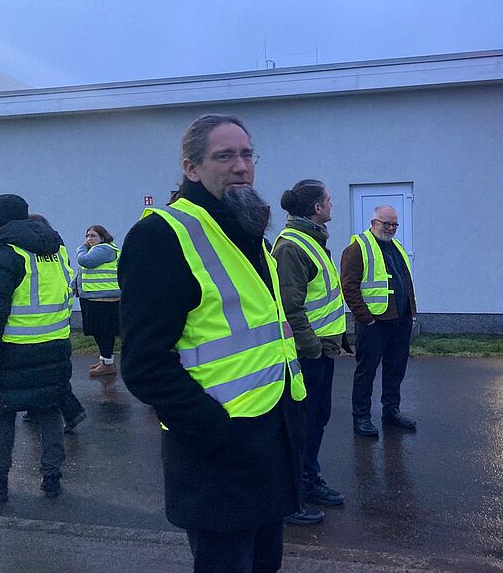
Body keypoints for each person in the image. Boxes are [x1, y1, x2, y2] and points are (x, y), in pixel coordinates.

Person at [119, 114, 306, 573]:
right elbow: (144, 364)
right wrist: (216, 431)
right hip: (218, 455)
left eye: (247, 154)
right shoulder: (162, 236)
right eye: (224, 156)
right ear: (191, 168)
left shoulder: (245, 227)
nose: (241, 166)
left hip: (270, 440)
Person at [273, 179, 346, 526]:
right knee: (300, 425)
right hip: (308, 354)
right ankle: (292, 495)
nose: (332, 205)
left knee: (316, 419)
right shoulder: (292, 247)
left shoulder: (313, 241)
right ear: (316, 208)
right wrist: (313, 348)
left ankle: (308, 479)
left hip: (322, 351)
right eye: (328, 200)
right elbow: (291, 307)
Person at [0, 194, 73, 502]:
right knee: (50, 410)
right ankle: (52, 478)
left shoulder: (7, 253)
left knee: (3, 415)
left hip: (14, 350)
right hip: (56, 345)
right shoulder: (57, 249)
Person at [341, 205, 417, 437]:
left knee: (395, 369)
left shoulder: (396, 247)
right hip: (374, 324)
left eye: (395, 224)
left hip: (400, 321)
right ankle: (361, 417)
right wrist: (365, 318)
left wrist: (410, 314)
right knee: (366, 372)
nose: (391, 228)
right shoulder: (357, 248)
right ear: (373, 223)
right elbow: (349, 287)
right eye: (387, 224)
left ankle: (391, 411)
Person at [20, 214, 86, 433]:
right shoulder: (58, 250)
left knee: (37, 374)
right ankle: (37, 410)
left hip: (30, 325)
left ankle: (70, 412)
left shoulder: (22, 252)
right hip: (57, 322)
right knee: (48, 375)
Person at [74, 224, 120, 376]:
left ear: (102, 237)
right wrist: (74, 285)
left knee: (103, 332)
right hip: (95, 298)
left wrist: (82, 247)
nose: (89, 239)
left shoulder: (104, 249)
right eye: (87, 236)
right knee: (101, 333)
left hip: (102, 299)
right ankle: (105, 361)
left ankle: (108, 364)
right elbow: (82, 271)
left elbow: (85, 261)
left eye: (93, 236)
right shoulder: (96, 250)